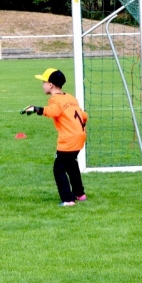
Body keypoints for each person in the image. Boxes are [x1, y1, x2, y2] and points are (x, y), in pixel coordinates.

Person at [21, 68, 88, 206]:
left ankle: (68, 200)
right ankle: (79, 194)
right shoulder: (70, 97)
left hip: (68, 139)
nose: (42, 85)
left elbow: (54, 111)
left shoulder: (55, 99)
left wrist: (36, 109)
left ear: (51, 85)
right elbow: (83, 115)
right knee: (71, 164)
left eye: (44, 82)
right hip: (79, 137)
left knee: (59, 169)